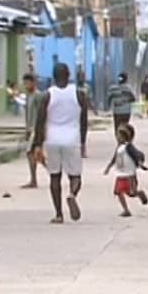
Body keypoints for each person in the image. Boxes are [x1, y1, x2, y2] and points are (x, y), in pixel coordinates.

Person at [34, 63, 90, 224]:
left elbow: (40, 121)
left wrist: (38, 144)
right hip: (72, 139)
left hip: (52, 139)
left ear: (53, 76)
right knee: (76, 176)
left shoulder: (47, 95)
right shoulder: (79, 94)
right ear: (69, 75)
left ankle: (58, 214)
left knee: (54, 177)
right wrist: (83, 141)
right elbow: (84, 120)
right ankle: (72, 194)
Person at [104, 123, 148, 217]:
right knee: (118, 192)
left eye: (119, 136)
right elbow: (115, 158)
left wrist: (141, 164)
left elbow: (136, 155)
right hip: (120, 174)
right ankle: (126, 210)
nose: (117, 138)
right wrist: (109, 167)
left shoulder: (129, 147)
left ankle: (140, 194)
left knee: (131, 193)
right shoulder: (119, 147)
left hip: (129, 174)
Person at [20, 73, 44, 189]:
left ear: (34, 83)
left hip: (36, 129)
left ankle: (33, 180)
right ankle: (51, 171)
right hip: (31, 129)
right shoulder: (28, 96)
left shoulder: (38, 96)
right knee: (35, 154)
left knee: (31, 153)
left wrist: (40, 130)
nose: (26, 85)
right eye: (25, 83)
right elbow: (28, 114)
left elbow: (41, 114)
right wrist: (27, 129)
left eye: (28, 83)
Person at [107, 73, 135, 139]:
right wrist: (124, 101)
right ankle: (124, 141)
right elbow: (133, 99)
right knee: (125, 127)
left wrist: (109, 107)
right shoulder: (128, 88)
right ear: (126, 79)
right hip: (126, 112)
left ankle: (119, 141)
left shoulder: (112, 88)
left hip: (117, 112)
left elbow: (109, 98)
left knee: (117, 127)